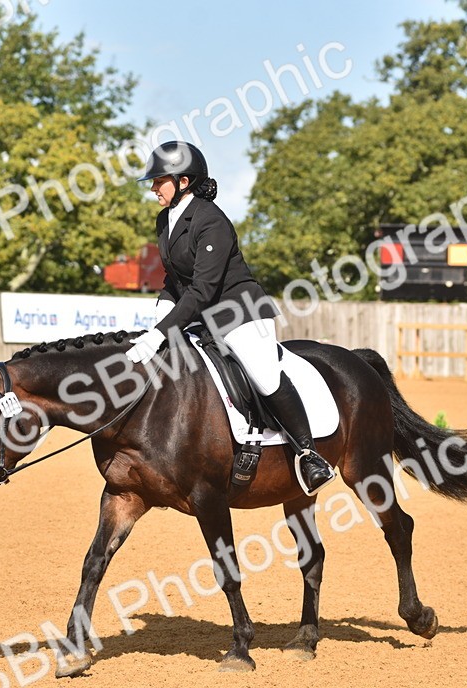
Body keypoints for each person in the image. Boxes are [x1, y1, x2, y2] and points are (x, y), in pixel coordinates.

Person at [125, 141, 336, 496]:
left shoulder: (212, 221)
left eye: (159, 180)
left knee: (264, 376)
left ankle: (309, 454)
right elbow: (174, 280)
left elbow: (204, 289)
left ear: (184, 181)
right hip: (201, 316)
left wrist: (161, 332)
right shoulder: (165, 221)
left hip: (239, 313)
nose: (152, 188)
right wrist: (156, 324)